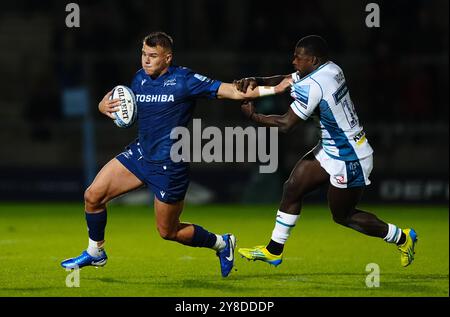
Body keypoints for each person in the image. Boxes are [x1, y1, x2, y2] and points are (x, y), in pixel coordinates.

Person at [61, 31, 291, 277]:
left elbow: (234, 91)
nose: (146, 61)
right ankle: (96, 252)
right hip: (140, 155)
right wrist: (102, 106)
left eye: (153, 56)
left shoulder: (185, 80)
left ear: (168, 58)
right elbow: (119, 106)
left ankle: (222, 243)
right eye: (143, 54)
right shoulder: (139, 79)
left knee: (168, 231)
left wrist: (276, 89)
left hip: (169, 167)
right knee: (93, 196)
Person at [236, 35, 418, 268]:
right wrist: (256, 80)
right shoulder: (331, 68)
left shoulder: (313, 86)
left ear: (312, 59)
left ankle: (402, 237)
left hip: (349, 157)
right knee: (293, 187)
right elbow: (284, 80)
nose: (293, 61)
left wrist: (253, 116)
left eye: (298, 57)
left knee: (343, 215)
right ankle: (274, 250)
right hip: (332, 148)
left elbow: (286, 124)